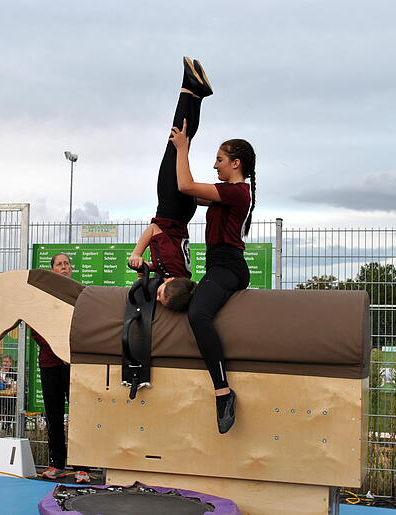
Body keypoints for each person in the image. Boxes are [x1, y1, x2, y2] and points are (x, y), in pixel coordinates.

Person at [171, 117, 255, 434]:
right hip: (219, 266)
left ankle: (223, 391)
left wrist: (183, 147)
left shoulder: (237, 192)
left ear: (235, 163)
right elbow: (187, 193)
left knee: (198, 313)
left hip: (228, 267)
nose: (215, 165)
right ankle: (220, 388)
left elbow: (186, 185)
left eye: (220, 160)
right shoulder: (226, 192)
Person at [128, 57, 214, 312]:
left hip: (182, 212)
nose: (157, 294)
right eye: (162, 294)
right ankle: (189, 89)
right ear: (172, 285)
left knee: (181, 140)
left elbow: (163, 262)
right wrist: (136, 253)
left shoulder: (181, 274)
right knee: (176, 141)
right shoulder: (173, 268)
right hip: (172, 207)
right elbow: (156, 229)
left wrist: (147, 268)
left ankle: (195, 94)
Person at [37, 253, 91, 483]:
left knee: (79, 416)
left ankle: (83, 467)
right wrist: (58, 350)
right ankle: (56, 463)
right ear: (52, 270)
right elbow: (36, 328)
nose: (64, 267)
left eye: (67, 264)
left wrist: (71, 353)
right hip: (50, 363)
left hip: (74, 364)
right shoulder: (43, 297)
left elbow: (88, 325)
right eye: (59, 264)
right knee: (54, 415)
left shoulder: (82, 294)